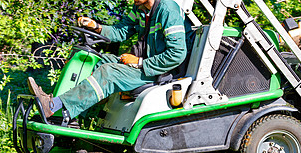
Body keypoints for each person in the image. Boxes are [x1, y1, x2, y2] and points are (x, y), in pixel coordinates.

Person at [28, 0, 190, 123]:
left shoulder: (168, 10)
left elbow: (177, 53)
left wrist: (140, 62)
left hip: (159, 71)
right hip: (144, 64)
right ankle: (68, 116)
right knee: (92, 60)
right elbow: (121, 31)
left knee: (108, 72)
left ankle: (52, 106)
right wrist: (96, 26)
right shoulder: (140, 9)